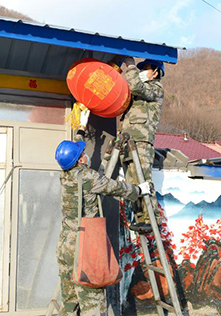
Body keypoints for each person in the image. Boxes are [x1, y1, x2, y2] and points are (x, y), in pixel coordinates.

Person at [55, 109, 150, 316]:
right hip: (85, 247)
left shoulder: (65, 174)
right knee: (93, 305)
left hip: (66, 245)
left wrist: (81, 126)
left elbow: (72, 152)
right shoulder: (89, 177)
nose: (85, 155)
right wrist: (140, 190)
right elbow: (117, 187)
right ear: (80, 161)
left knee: (69, 303)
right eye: (82, 154)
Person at [119, 57, 165, 233]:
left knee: (143, 179)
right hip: (128, 138)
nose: (142, 71)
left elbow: (136, 86)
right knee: (133, 182)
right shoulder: (140, 90)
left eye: (146, 68)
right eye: (141, 68)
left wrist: (130, 66)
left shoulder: (156, 88)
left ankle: (152, 218)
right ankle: (141, 218)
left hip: (141, 140)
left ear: (155, 73)